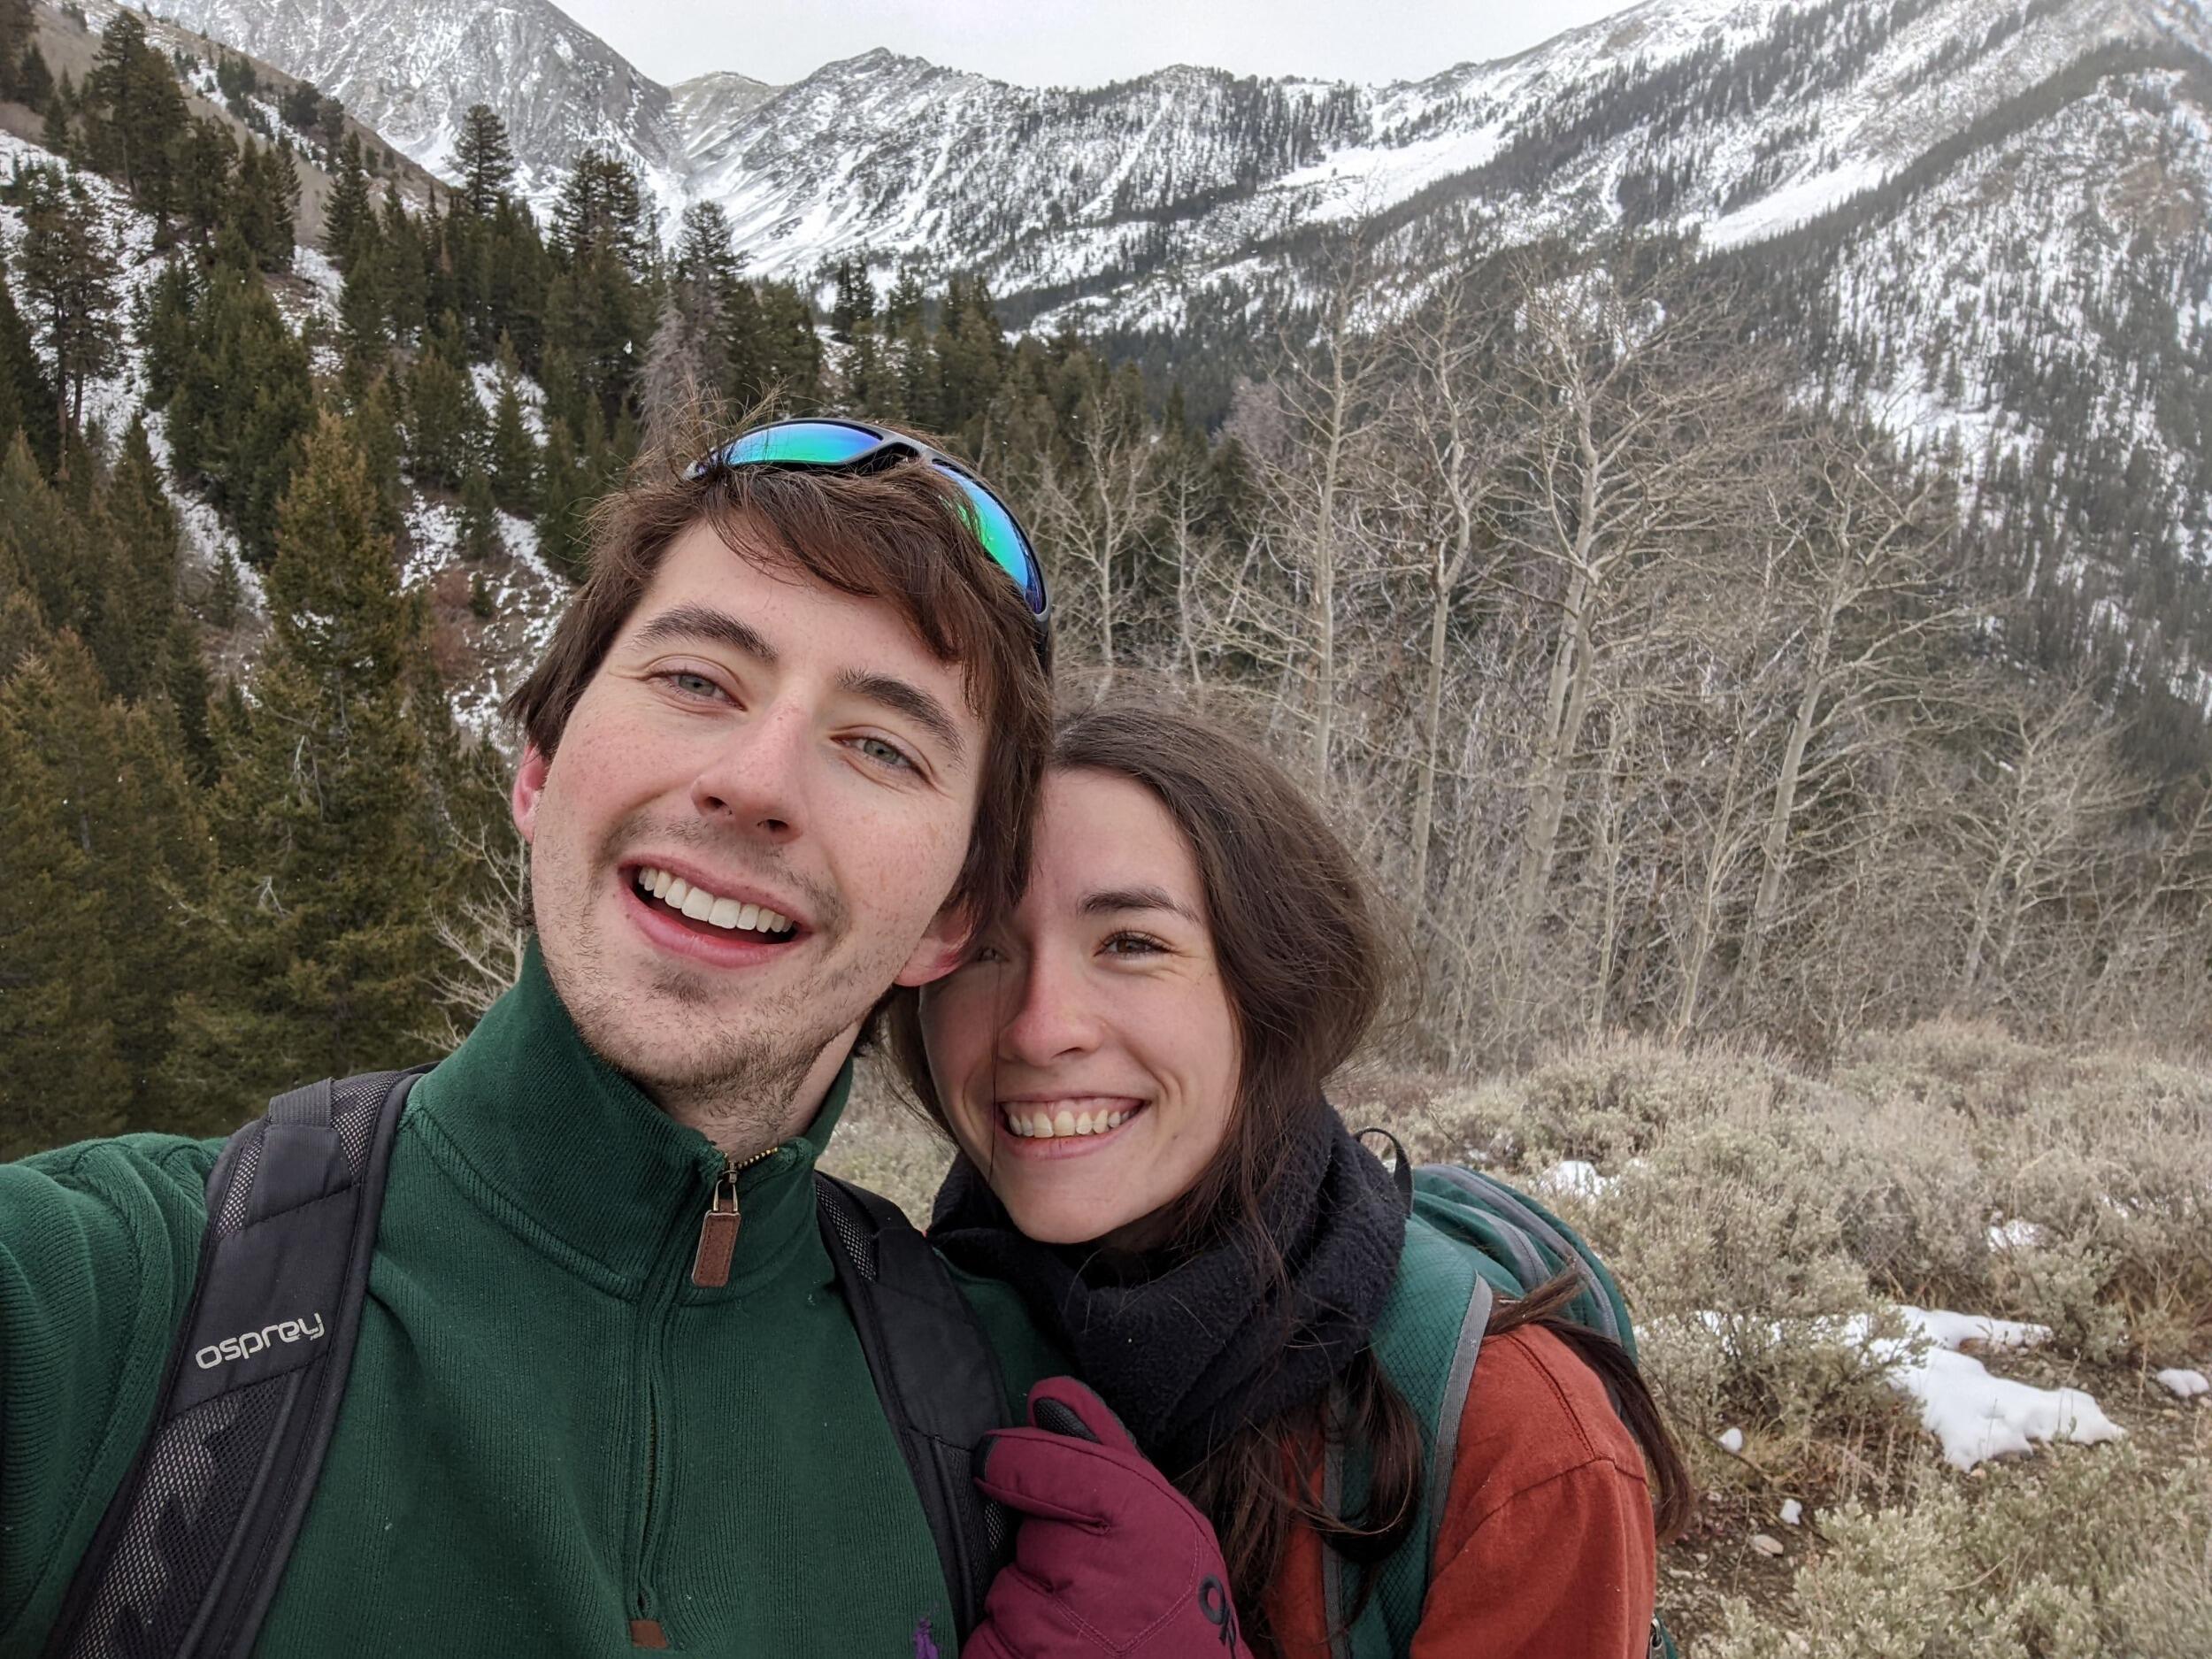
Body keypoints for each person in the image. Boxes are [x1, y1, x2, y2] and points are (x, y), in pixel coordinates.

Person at [0, 418, 1064, 1655]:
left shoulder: (1008, 1427)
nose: (757, 781)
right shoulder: (116, 1304)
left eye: (881, 745)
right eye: (697, 680)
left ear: (952, 917)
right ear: (540, 766)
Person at [895, 696, 1694, 1658]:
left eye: (1131, 943)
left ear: (1271, 991)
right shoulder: (881, 1325)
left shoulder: (1516, 1442)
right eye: (984, 948)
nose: (1037, 1027)